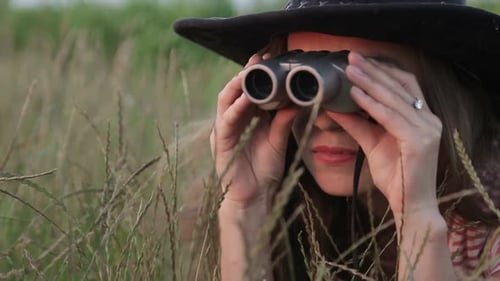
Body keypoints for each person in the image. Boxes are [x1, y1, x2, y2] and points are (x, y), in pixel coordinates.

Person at [174, 0, 500, 280]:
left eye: (367, 86)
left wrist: (417, 216)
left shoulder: (490, 241)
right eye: (303, 82)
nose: (325, 119)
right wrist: (244, 207)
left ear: (437, 97)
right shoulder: (285, 209)